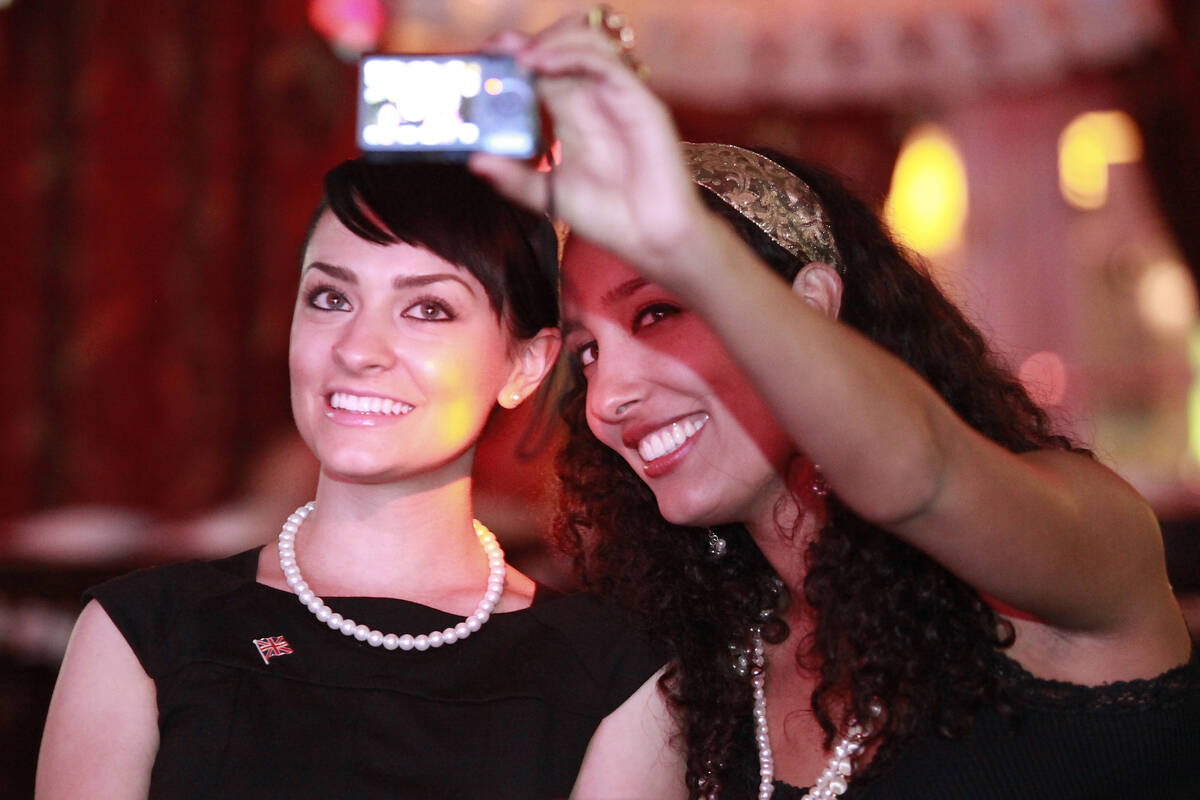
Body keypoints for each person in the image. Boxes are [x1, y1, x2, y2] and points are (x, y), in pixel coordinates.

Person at [469, 12, 1200, 799]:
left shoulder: (1082, 542)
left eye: (657, 312)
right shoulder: (704, 669)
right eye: (588, 353)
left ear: (812, 303)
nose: (609, 398)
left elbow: (923, 477)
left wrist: (688, 246)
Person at [36, 158, 684, 799]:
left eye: (427, 309)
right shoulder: (143, 631)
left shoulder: (613, 675)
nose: (357, 348)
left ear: (526, 365)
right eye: (330, 298)